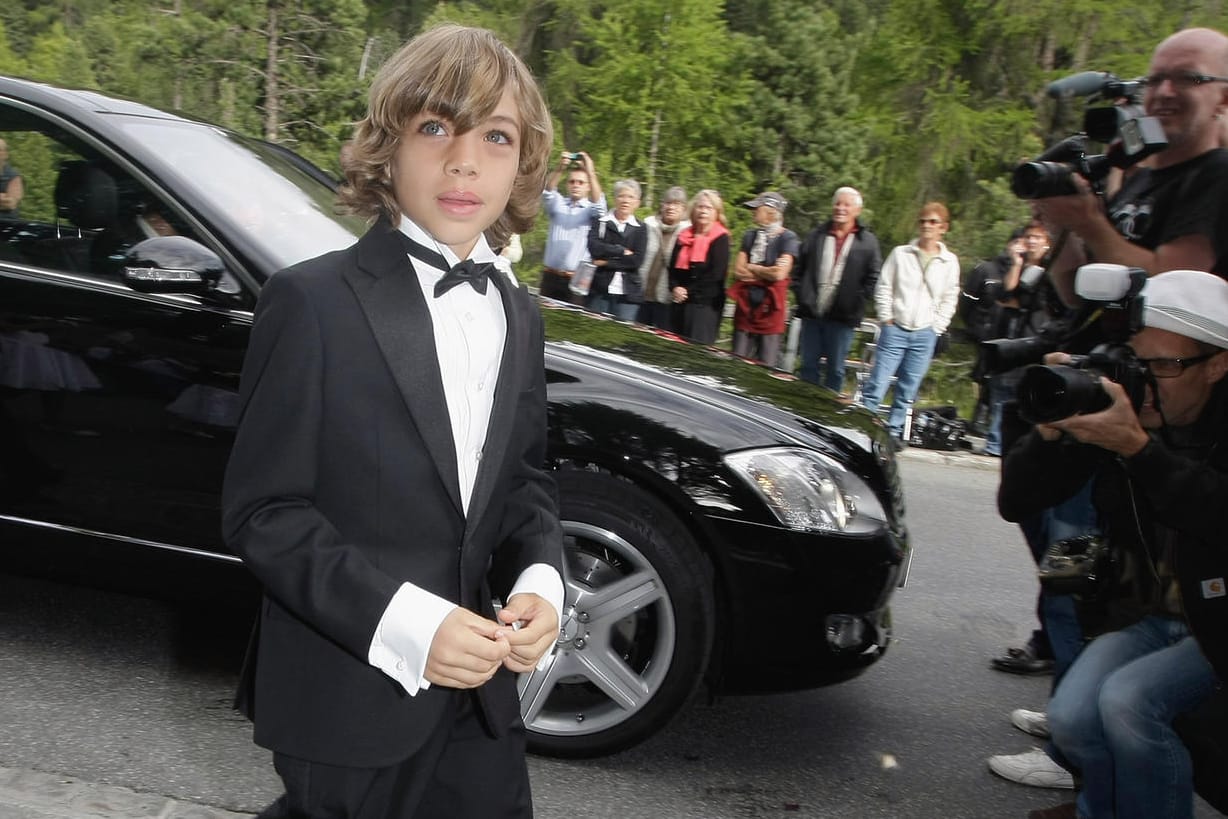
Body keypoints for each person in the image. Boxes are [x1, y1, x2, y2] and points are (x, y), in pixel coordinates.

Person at [220, 25, 564, 819]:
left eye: (496, 136)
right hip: (351, 694)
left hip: (483, 707)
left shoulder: (519, 316)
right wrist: (410, 621)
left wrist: (542, 581)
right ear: (387, 146)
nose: (464, 161)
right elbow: (264, 514)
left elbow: (522, 484)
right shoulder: (313, 303)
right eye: (436, 127)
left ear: (522, 166)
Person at [990, 26, 1228, 794]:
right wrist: (1070, 217)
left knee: (1129, 603)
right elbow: (1074, 289)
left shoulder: (1216, 178)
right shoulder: (1136, 172)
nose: (1158, 94)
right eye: (1148, 80)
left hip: (1175, 407)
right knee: (1074, 560)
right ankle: (1080, 729)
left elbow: (1168, 294)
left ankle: (1091, 740)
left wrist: (1096, 225)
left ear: (1222, 95)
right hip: (1108, 377)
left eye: (1184, 79)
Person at [997, 268, 1228, 819]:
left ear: (1218, 364)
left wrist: (1139, 450)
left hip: (1216, 621)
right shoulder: (1128, 414)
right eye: (1138, 362)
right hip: (1151, 616)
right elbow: (1017, 502)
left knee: (1129, 703)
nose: (1147, 380)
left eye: (1166, 366)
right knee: (1074, 716)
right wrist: (1050, 433)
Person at [859, 202, 960, 443]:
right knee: (878, 382)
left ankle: (894, 431)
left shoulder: (949, 261)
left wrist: (937, 327)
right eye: (923, 221)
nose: (927, 226)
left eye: (933, 222)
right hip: (896, 327)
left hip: (925, 331)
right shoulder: (901, 253)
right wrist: (887, 318)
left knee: (908, 388)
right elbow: (884, 286)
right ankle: (863, 428)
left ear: (943, 227)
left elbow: (950, 296)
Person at [964, 221, 1053, 456]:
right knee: (1002, 391)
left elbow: (1038, 303)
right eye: (1028, 237)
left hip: (1036, 337)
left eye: (1037, 237)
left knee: (1030, 392)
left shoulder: (1051, 269)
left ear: (1046, 242)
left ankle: (1026, 444)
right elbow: (1004, 296)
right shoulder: (1019, 267)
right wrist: (1016, 263)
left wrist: (1019, 300)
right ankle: (996, 443)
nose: (1031, 242)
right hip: (1009, 335)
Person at [794, 187, 883, 392]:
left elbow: (873, 277)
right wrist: (802, 295)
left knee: (835, 369)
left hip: (843, 318)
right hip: (812, 314)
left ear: (857, 210)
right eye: (837, 203)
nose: (840, 208)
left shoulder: (867, 242)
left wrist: (857, 302)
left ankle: (827, 416)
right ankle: (801, 411)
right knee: (808, 367)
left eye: (846, 204)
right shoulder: (817, 235)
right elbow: (800, 267)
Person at [729, 191, 799, 367]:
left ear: (771, 211)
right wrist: (765, 273)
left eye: (756, 208)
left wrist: (753, 267)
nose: (753, 212)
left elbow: (779, 274)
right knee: (737, 361)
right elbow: (738, 271)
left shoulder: (788, 238)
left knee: (766, 364)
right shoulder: (750, 236)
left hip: (770, 312)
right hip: (746, 307)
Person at [539, 151, 604, 304]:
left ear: (588, 186)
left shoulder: (590, 209)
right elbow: (547, 192)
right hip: (551, 274)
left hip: (576, 278)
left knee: (571, 323)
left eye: (581, 182)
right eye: (572, 181)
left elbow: (600, 206)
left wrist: (590, 172)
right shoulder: (559, 203)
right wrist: (560, 168)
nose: (576, 185)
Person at [669, 189, 730, 345]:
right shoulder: (684, 235)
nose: (703, 211)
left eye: (708, 208)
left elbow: (716, 274)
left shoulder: (721, 238)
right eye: (700, 207)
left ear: (717, 212)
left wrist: (688, 291)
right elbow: (672, 268)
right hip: (680, 303)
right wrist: (675, 287)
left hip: (705, 306)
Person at [586, 178, 647, 320]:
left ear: (637, 203)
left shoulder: (641, 228)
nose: (625, 200)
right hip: (600, 289)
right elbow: (594, 248)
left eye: (631, 197)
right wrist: (621, 251)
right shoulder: (602, 222)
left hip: (628, 295)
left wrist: (606, 262)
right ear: (615, 199)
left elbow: (637, 260)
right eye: (621, 196)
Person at [637, 186, 689, 330]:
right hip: (640, 294)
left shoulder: (687, 233)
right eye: (668, 203)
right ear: (662, 205)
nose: (671, 207)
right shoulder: (648, 225)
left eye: (676, 204)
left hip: (667, 300)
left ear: (684, 209)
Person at [0, 138, 24, 218]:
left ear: (6, 154)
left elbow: (10, 203)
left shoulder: (14, 176)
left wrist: (6, 200)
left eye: (0, 150)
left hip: (6, 225)